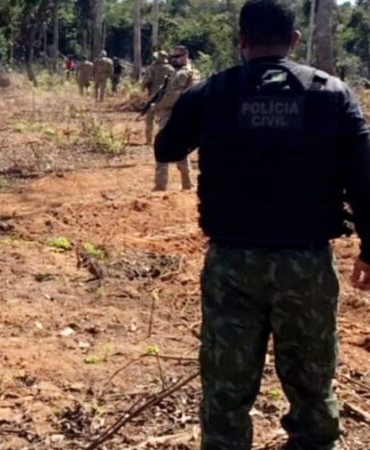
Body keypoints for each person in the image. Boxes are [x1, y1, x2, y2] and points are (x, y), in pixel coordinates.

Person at [155, 0, 370, 448]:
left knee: (226, 391)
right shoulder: (332, 94)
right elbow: (363, 178)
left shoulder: (213, 92)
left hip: (233, 265)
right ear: (294, 41)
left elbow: (166, 148)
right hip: (306, 264)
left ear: (242, 41)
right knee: (312, 389)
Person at [152, 45, 195, 191]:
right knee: (180, 148)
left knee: (162, 146)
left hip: (171, 114)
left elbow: (172, 96)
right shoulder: (191, 72)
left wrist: (157, 107)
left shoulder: (182, 74)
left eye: (176, 57)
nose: (173, 60)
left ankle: (160, 185)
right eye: (172, 57)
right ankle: (187, 182)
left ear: (184, 56)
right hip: (184, 115)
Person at [142, 50, 175, 144]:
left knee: (149, 118)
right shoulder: (171, 69)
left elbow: (146, 80)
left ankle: (149, 140)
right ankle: (165, 139)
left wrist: (142, 87)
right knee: (164, 118)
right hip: (165, 96)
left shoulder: (151, 68)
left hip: (153, 95)